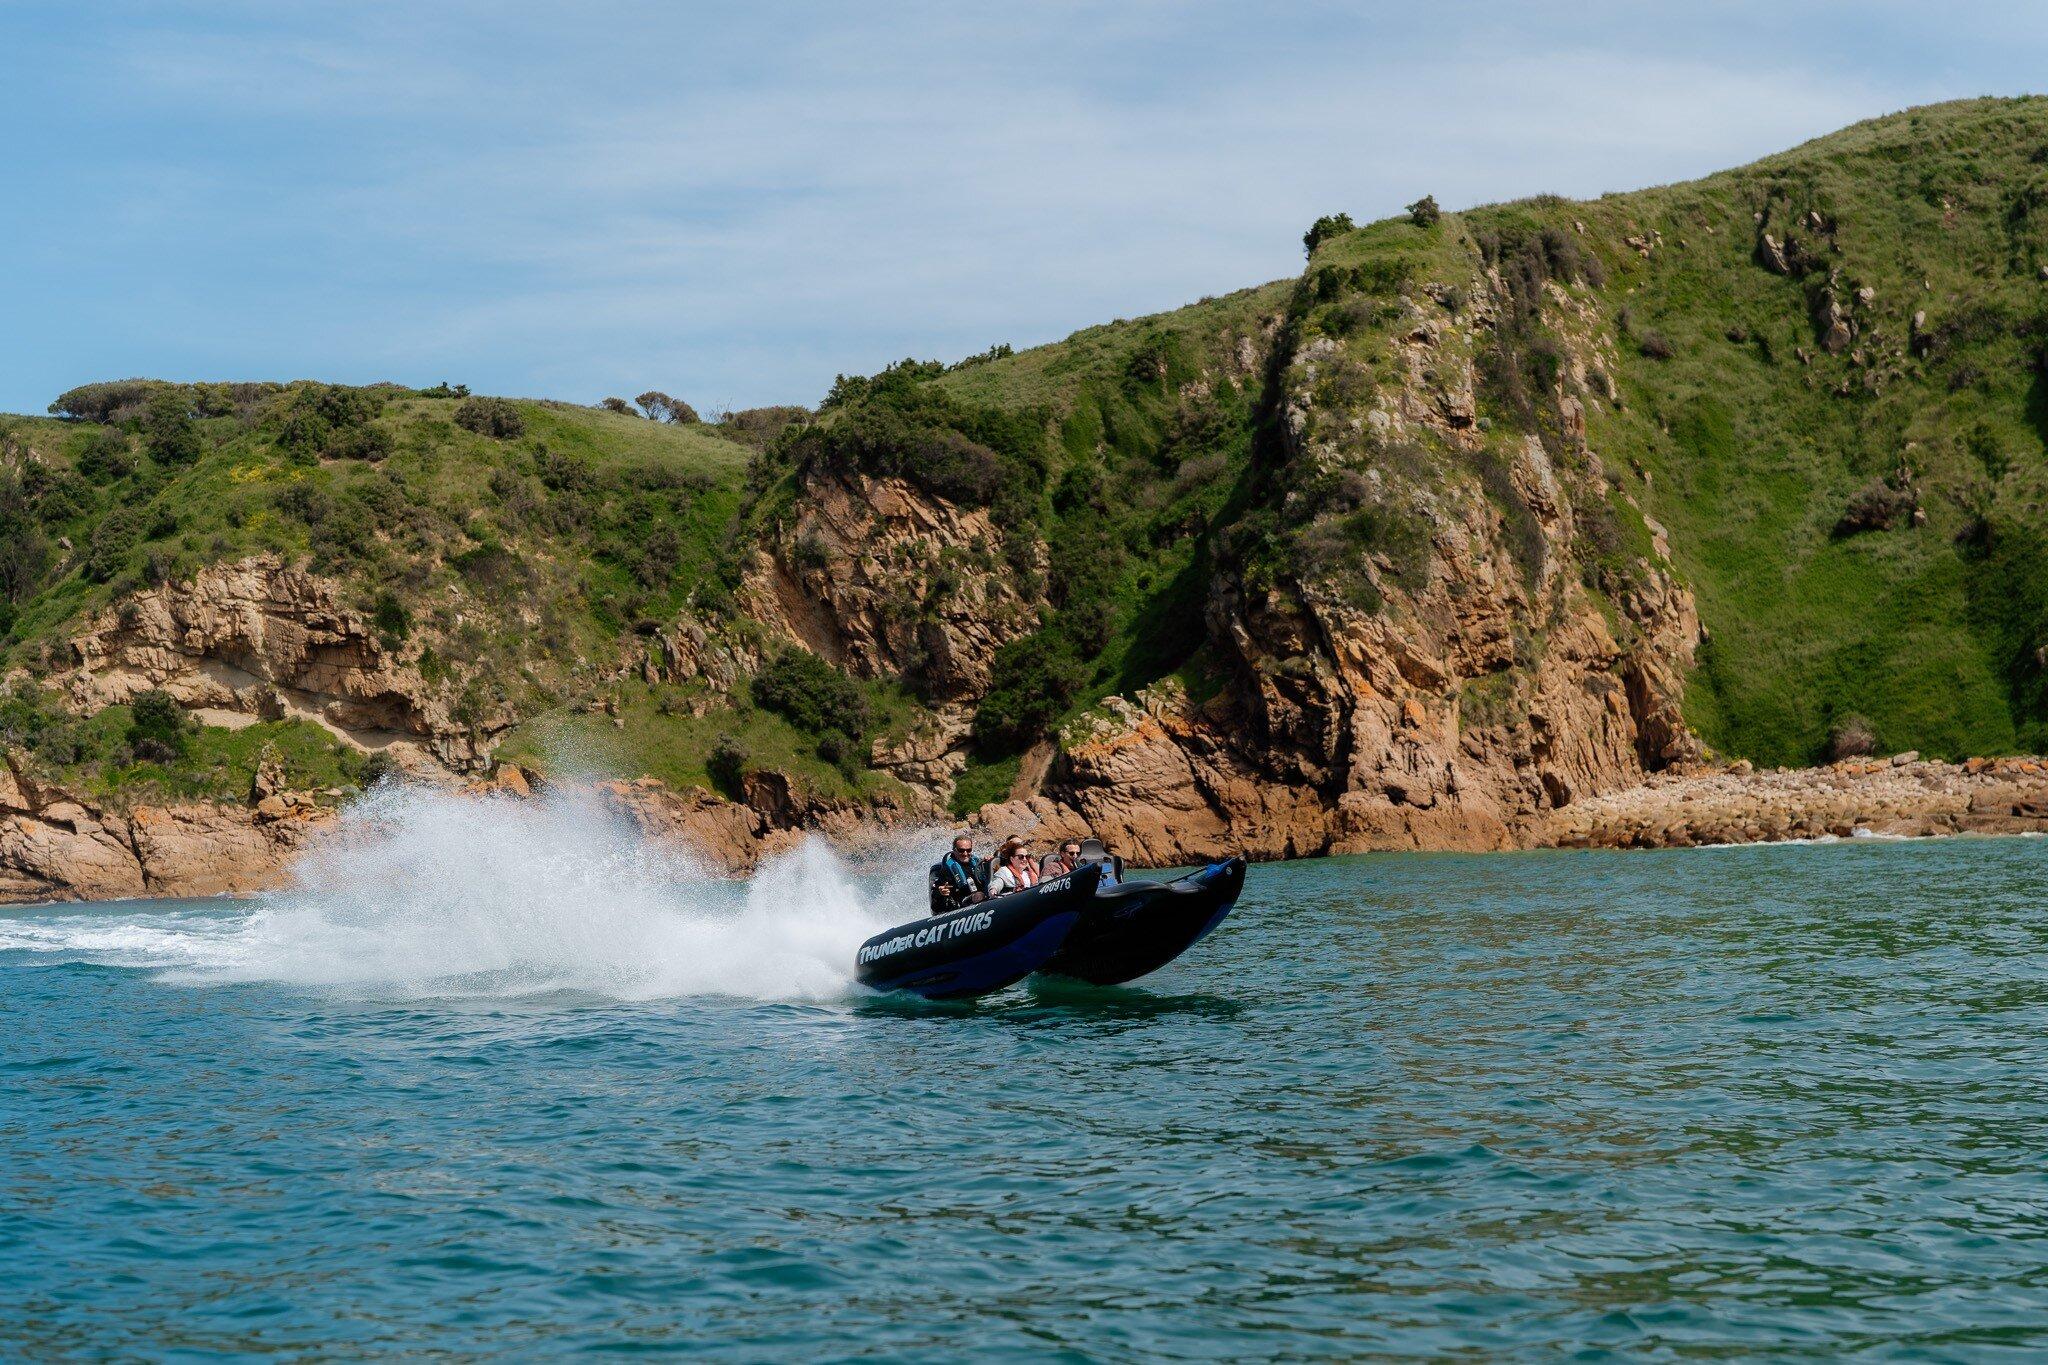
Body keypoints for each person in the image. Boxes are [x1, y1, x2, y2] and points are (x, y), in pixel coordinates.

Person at [929, 835, 989, 916]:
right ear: (954, 850)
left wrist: (990, 863)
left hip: (985, 900)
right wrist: (940, 893)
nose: (965, 853)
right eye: (961, 850)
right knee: (979, 896)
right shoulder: (947, 870)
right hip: (960, 907)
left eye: (969, 850)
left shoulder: (978, 864)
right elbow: (936, 905)